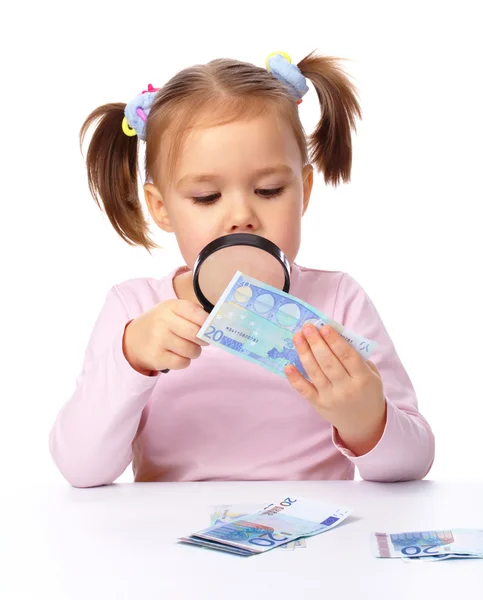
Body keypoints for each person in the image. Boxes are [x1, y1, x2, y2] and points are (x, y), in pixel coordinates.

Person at [49, 51, 435, 488]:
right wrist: (131, 359)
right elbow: (80, 469)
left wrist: (367, 419)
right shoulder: (134, 309)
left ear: (303, 191)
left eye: (269, 190)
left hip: (319, 544)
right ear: (162, 208)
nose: (241, 216)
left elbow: (412, 463)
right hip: (170, 544)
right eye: (206, 197)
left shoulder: (340, 301)